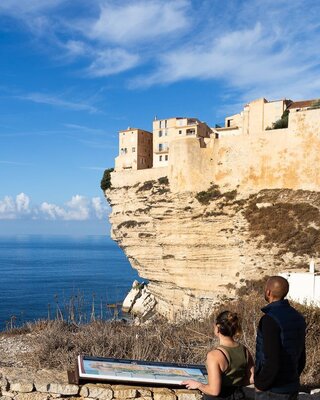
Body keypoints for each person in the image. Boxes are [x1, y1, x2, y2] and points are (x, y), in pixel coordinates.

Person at [182, 311, 254, 399]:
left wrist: (198, 385)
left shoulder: (215, 355)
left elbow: (214, 391)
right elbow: (252, 378)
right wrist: (235, 384)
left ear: (217, 328)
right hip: (239, 396)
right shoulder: (244, 350)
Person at [255, 276, 306, 400]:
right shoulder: (298, 316)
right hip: (291, 387)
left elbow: (271, 360)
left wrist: (261, 384)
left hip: (273, 391)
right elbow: (301, 356)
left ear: (268, 292)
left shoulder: (270, 319)